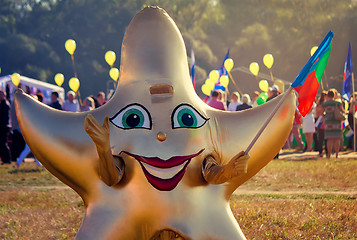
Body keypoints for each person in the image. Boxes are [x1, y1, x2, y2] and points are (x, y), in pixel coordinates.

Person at [322, 90, 345, 158]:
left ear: (328, 95)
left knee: (329, 139)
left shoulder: (325, 104)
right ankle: (337, 154)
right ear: (334, 95)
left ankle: (329, 154)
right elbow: (342, 111)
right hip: (336, 122)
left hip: (328, 123)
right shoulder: (338, 103)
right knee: (337, 139)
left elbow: (320, 111)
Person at [314, 91, 327, 157]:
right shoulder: (324, 104)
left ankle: (320, 151)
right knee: (324, 137)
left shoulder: (318, 103)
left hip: (318, 120)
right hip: (323, 120)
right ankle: (326, 151)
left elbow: (316, 114)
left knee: (320, 137)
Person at [0, 91, 11, 164]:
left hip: (4, 127)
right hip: (2, 126)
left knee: (4, 143)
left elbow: (4, 118)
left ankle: (7, 160)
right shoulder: (2, 104)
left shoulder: (5, 105)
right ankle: (4, 159)